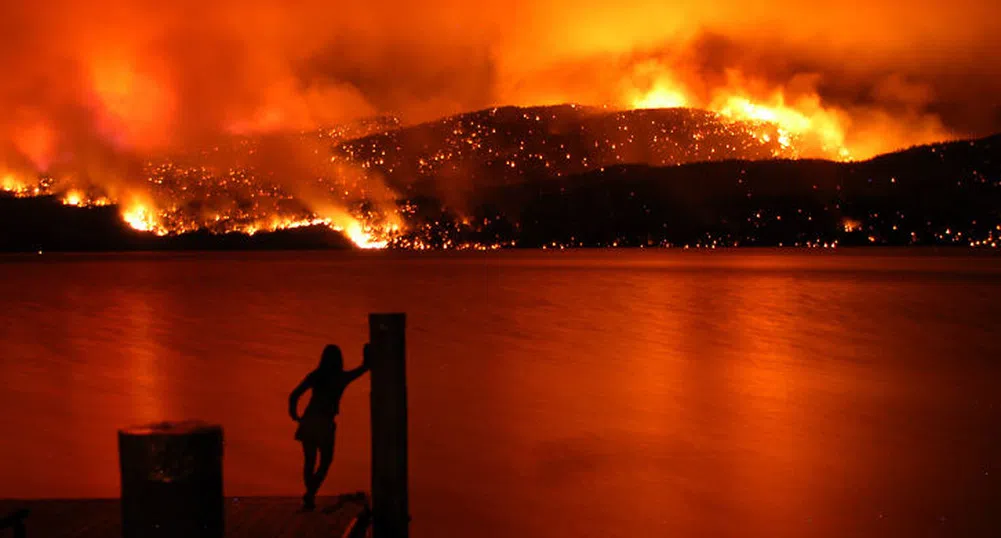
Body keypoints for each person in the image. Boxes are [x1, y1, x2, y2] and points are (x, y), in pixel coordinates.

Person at [289, 344, 370, 511]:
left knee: (309, 461)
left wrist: (294, 415)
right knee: (325, 461)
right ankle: (310, 493)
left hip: (309, 421)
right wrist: (368, 358)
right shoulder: (340, 378)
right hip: (324, 423)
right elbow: (361, 370)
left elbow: (294, 394)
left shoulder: (316, 375)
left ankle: (310, 494)